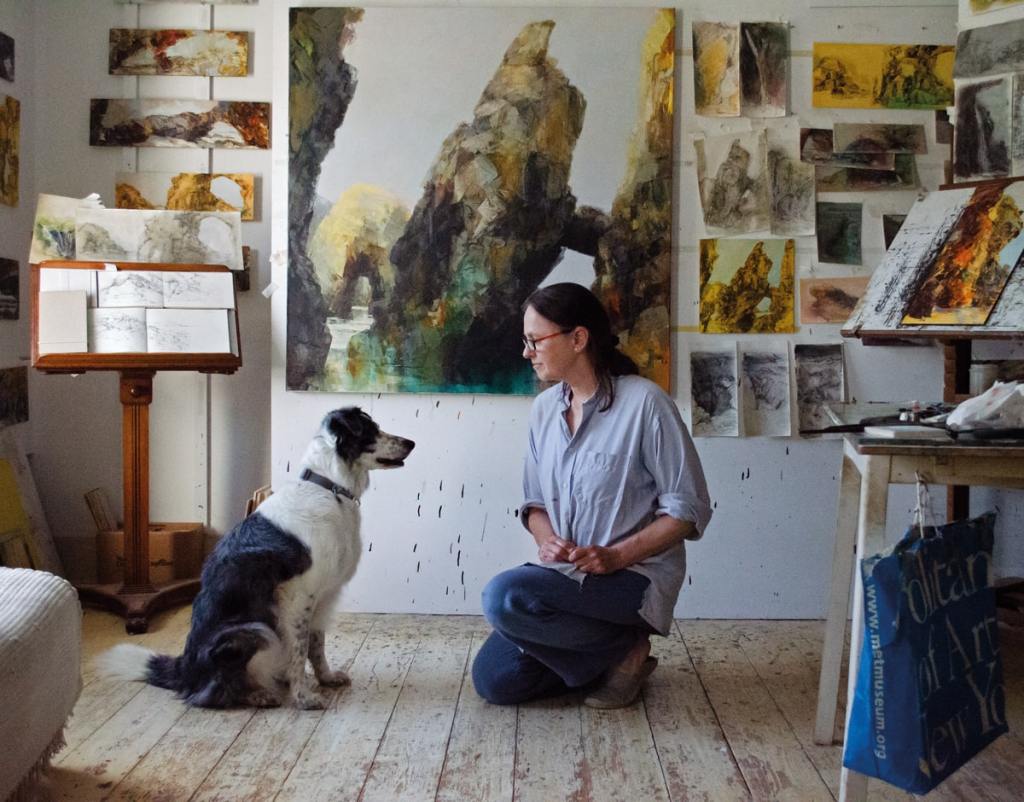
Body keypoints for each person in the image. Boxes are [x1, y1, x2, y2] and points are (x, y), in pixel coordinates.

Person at [472, 283, 712, 709]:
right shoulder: (545, 410)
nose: (527, 352)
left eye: (535, 340)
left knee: (504, 596)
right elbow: (533, 504)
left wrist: (616, 556)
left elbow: (688, 510)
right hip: (568, 578)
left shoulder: (645, 403)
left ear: (578, 338)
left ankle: (621, 649)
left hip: (630, 580)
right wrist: (547, 539)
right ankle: (620, 654)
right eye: (525, 341)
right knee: (496, 681)